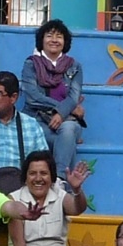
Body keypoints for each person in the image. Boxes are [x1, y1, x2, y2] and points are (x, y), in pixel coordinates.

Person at [19, 19, 83, 176]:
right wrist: (60, 109)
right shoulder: (31, 64)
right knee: (67, 143)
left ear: (65, 42)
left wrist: (61, 114)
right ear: (41, 40)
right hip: (37, 120)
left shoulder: (74, 66)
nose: (54, 40)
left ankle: (59, 178)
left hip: (66, 120)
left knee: (68, 130)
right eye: (49, 36)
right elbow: (33, 97)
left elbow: (73, 97)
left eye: (59, 36)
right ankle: (65, 185)